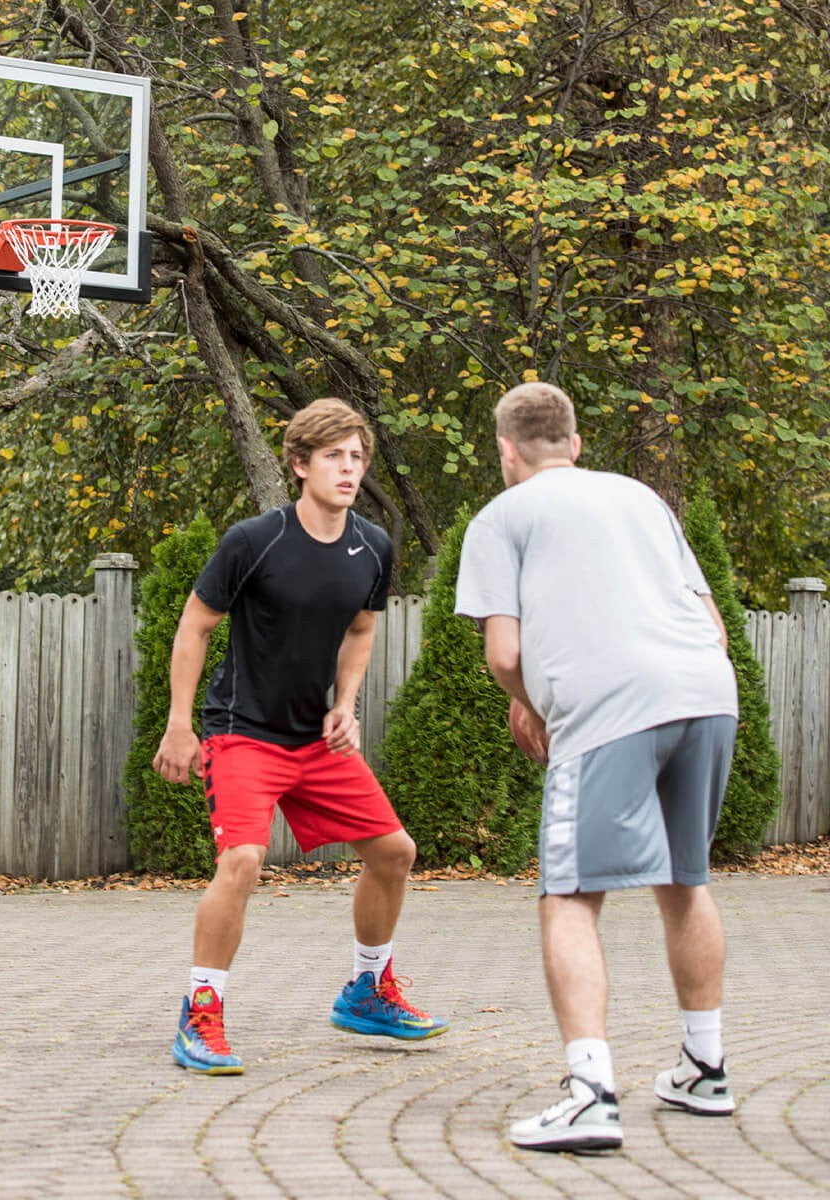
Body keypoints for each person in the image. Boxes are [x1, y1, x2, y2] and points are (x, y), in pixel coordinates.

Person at [455, 381, 739, 1152]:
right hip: (708, 693)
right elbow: (713, 625)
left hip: (611, 708)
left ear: (506, 452)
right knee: (686, 879)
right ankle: (705, 1068)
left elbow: (504, 654)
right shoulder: (643, 501)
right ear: (575, 443)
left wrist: (532, 704)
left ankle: (590, 1095)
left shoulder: (503, 516)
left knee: (569, 894)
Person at [153, 396, 449, 1074]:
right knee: (243, 861)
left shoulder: (373, 547)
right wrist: (179, 722)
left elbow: (362, 628)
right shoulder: (255, 540)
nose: (349, 469)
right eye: (333, 456)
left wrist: (345, 704)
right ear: (299, 464)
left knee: (395, 852)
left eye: (357, 457)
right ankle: (201, 1012)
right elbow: (196, 625)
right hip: (243, 734)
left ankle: (368, 990)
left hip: (316, 741)